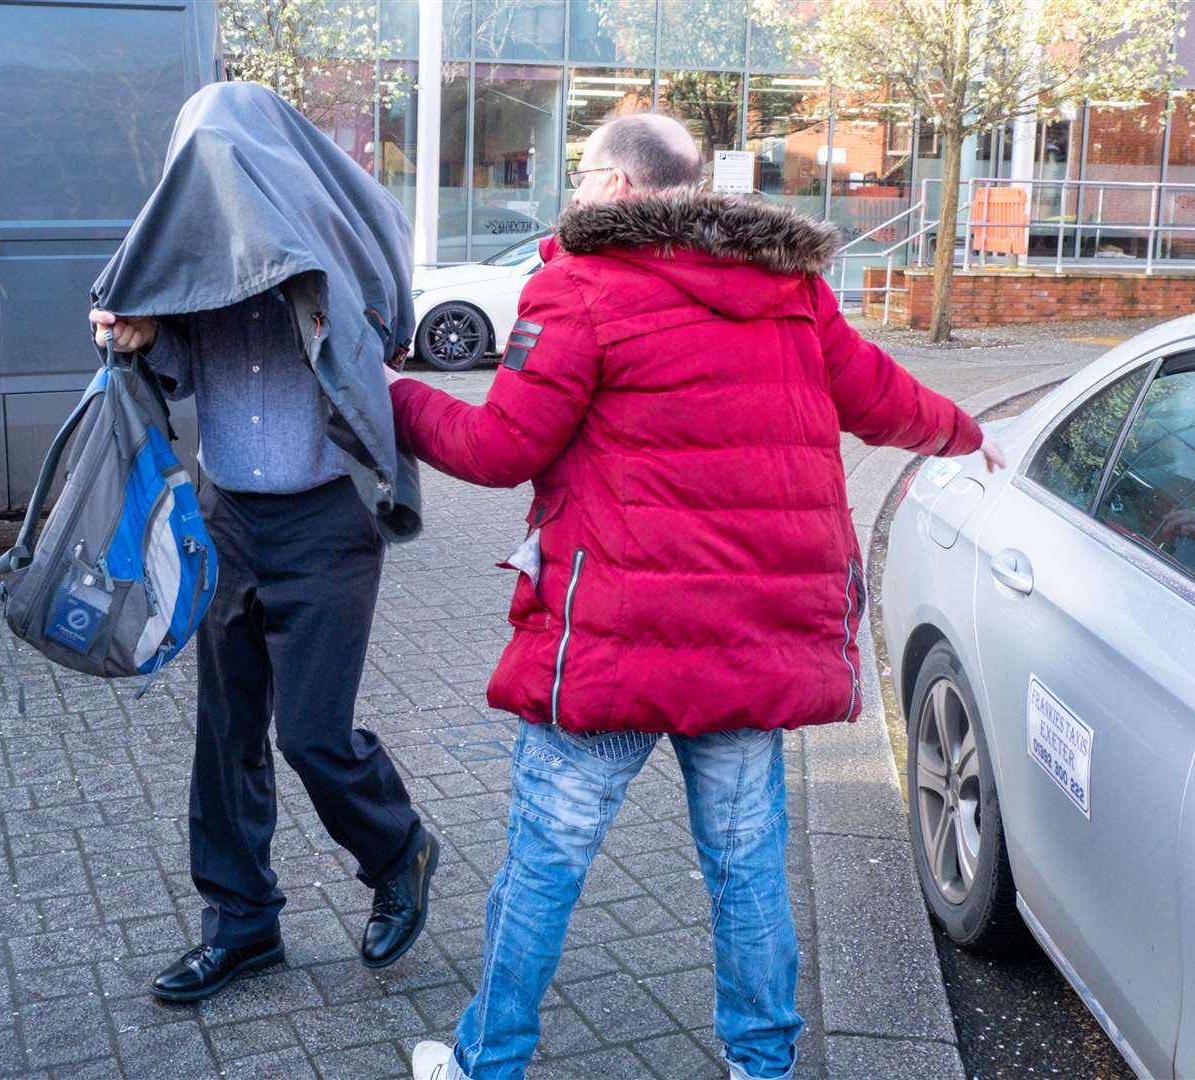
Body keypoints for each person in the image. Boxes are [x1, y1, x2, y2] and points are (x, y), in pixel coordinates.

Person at [395, 113, 1004, 1080]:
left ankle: (488, 1060)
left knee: (547, 861)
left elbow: (498, 448)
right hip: (751, 642)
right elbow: (878, 395)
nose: (576, 186)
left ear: (625, 190)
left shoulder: (578, 288)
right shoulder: (792, 287)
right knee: (747, 865)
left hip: (614, 641)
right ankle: (762, 1064)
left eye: (585, 170)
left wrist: (390, 394)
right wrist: (966, 435)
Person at [87, 82, 438, 1005]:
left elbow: (379, 331)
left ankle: (398, 849)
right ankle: (241, 925)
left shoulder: (329, 238)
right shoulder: (186, 254)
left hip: (327, 524)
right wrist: (139, 332)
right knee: (227, 734)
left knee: (312, 735)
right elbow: (169, 370)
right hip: (229, 520)